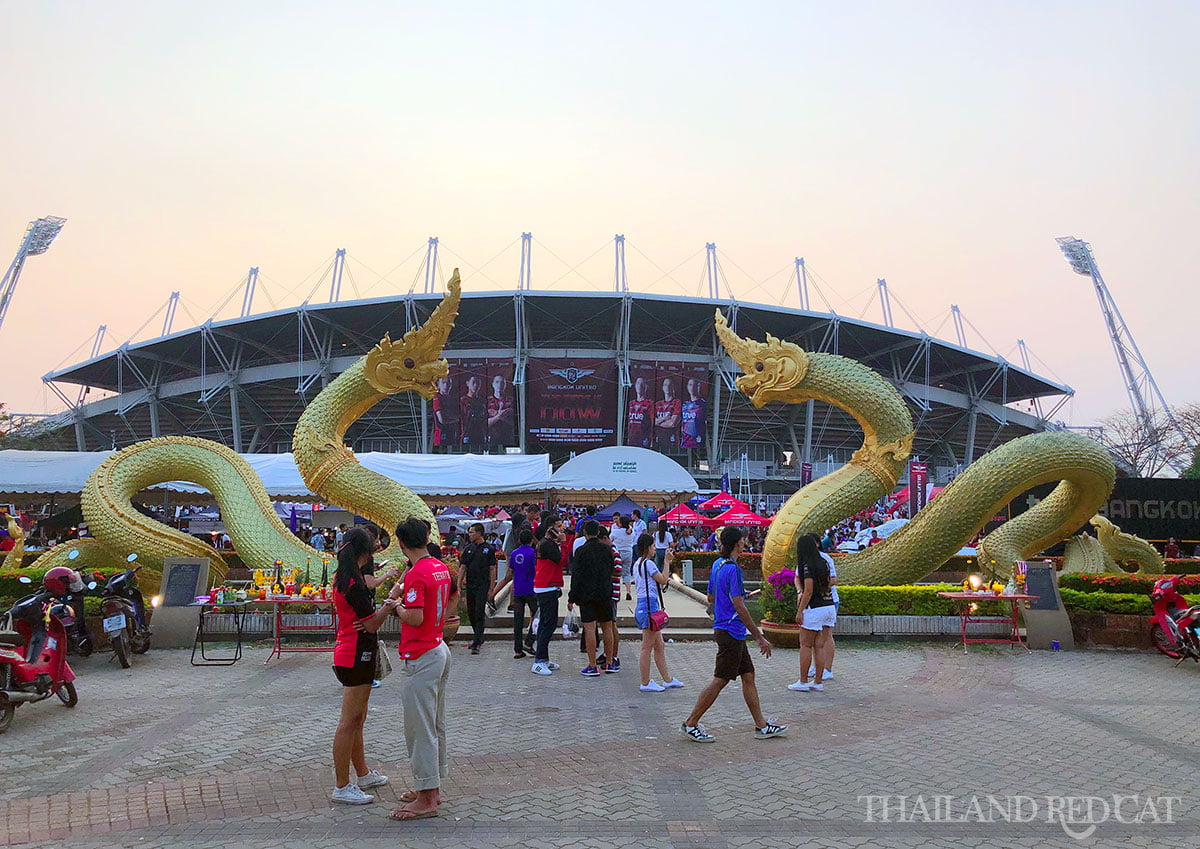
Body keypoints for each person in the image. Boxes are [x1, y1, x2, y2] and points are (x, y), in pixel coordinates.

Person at [680, 526, 786, 743]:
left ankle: (761, 725)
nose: (745, 542)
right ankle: (691, 723)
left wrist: (738, 595)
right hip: (730, 630)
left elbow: (711, 597)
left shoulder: (718, 565)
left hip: (727, 629)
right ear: (738, 543)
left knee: (748, 675)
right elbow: (739, 606)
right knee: (720, 680)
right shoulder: (734, 569)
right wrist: (759, 636)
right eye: (743, 540)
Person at [385, 517, 456, 821]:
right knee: (434, 723)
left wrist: (395, 605)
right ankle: (431, 786)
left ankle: (427, 796)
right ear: (427, 537)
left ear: (401, 543)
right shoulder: (439, 567)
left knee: (420, 727)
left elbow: (413, 617)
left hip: (422, 652)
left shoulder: (416, 575)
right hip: (438, 647)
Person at [330, 527, 396, 805]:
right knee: (349, 722)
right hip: (355, 654)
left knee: (358, 719)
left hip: (356, 651)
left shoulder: (347, 576)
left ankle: (362, 773)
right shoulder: (353, 584)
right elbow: (370, 622)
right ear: (365, 551)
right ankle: (342, 785)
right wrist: (390, 604)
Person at [632, 533, 682, 692]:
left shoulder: (637, 564)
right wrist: (667, 561)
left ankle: (667, 679)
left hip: (644, 604)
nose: (655, 549)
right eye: (653, 546)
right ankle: (645, 682)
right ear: (648, 547)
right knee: (647, 647)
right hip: (649, 606)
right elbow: (663, 579)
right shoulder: (649, 564)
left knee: (659, 645)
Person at [567, 520, 617, 676]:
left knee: (589, 628)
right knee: (607, 627)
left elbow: (576, 577)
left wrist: (571, 597)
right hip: (605, 593)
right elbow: (612, 570)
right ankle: (609, 662)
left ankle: (592, 664)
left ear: (585, 534)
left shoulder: (581, 551)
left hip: (587, 595)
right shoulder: (607, 550)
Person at [789, 534, 836, 692]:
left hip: (814, 607)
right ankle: (818, 681)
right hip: (828, 605)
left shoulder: (807, 565)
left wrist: (800, 610)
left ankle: (803, 681)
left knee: (805, 644)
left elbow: (808, 591)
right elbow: (830, 581)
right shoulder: (823, 561)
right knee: (819, 645)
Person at [491, 527, 538, 657]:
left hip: (517, 590)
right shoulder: (532, 553)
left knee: (518, 620)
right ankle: (529, 640)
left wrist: (496, 590)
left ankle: (517, 650)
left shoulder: (514, 553)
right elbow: (535, 569)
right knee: (537, 615)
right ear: (531, 540)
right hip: (530, 588)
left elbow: (510, 573)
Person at [531, 519, 565, 675]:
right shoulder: (547, 544)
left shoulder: (547, 544)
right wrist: (562, 543)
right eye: (558, 527)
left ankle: (543, 658)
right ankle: (539, 660)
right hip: (546, 587)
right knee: (547, 624)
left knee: (548, 623)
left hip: (548, 585)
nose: (561, 529)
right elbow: (562, 559)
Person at [458, 523, 497, 655]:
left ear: (480, 533)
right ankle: (478, 636)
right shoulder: (468, 548)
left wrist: (492, 587)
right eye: (469, 532)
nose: (470, 535)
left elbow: (492, 569)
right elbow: (463, 567)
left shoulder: (489, 549)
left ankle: (477, 642)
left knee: (479, 612)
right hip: (470, 585)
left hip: (482, 585)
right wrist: (459, 584)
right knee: (471, 612)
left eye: (472, 532)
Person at [612, 515, 638, 600]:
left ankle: (616, 591)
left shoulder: (615, 532)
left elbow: (609, 540)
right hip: (628, 552)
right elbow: (631, 533)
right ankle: (628, 591)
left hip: (618, 553)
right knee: (627, 574)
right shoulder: (632, 532)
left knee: (615, 573)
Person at [654, 376, 682, 450]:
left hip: (672, 440)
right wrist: (665, 418)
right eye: (665, 385)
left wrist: (659, 422)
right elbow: (652, 422)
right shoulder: (657, 404)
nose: (667, 387)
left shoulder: (677, 402)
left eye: (669, 385)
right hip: (659, 439)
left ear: (673, 387)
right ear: (662, 387)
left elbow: (672, 423)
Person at [487, 373, 515, 446]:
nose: (499, 385)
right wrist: (498, 417)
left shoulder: (511, 401)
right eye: (497, 382)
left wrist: (502, 417)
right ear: (493, 384)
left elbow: (516, 423)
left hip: (508, 438)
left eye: (502, 382)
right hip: (491, 438)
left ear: (505, 385)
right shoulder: (487, 401)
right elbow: (485, 424)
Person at [460, 374, 488, 447]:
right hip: (467, 434)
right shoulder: (463, 401)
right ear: (467, 383)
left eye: (478, 383)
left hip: (480, 434)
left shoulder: (483, 401)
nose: (476, 385)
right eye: (473, 382)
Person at [625, 376, 653, 448]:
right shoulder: (631, 403)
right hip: (631, 438)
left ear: (645, 387)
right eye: (638, 383)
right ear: (635, 386)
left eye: (642, 384)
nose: (639, 386)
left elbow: (653, 421)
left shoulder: (649, 403)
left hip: (643, 438)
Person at [680, 377, 707, 449]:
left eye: (694, 385)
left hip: (697, 439)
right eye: (690, 385)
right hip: (685, 440)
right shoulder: (684, 405)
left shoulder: (703, 404)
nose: (692, 387)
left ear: (698, 386)